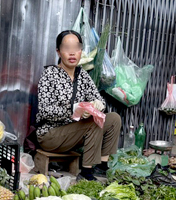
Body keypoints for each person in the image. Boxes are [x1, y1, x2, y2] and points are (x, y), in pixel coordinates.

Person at [36, 30, 121, 181]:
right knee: (91, 122)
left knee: (113, 118)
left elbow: (97, 98)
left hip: (75, 134)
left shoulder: (83, 75)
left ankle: (102, 166)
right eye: (67, 48)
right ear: (58, 51)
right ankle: (86, 173)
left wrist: (98, 104)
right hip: (51, 135)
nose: (72, 53)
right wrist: (73, 110)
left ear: (81, 51)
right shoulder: (50, 74)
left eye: (76, 48)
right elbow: (44, 111)